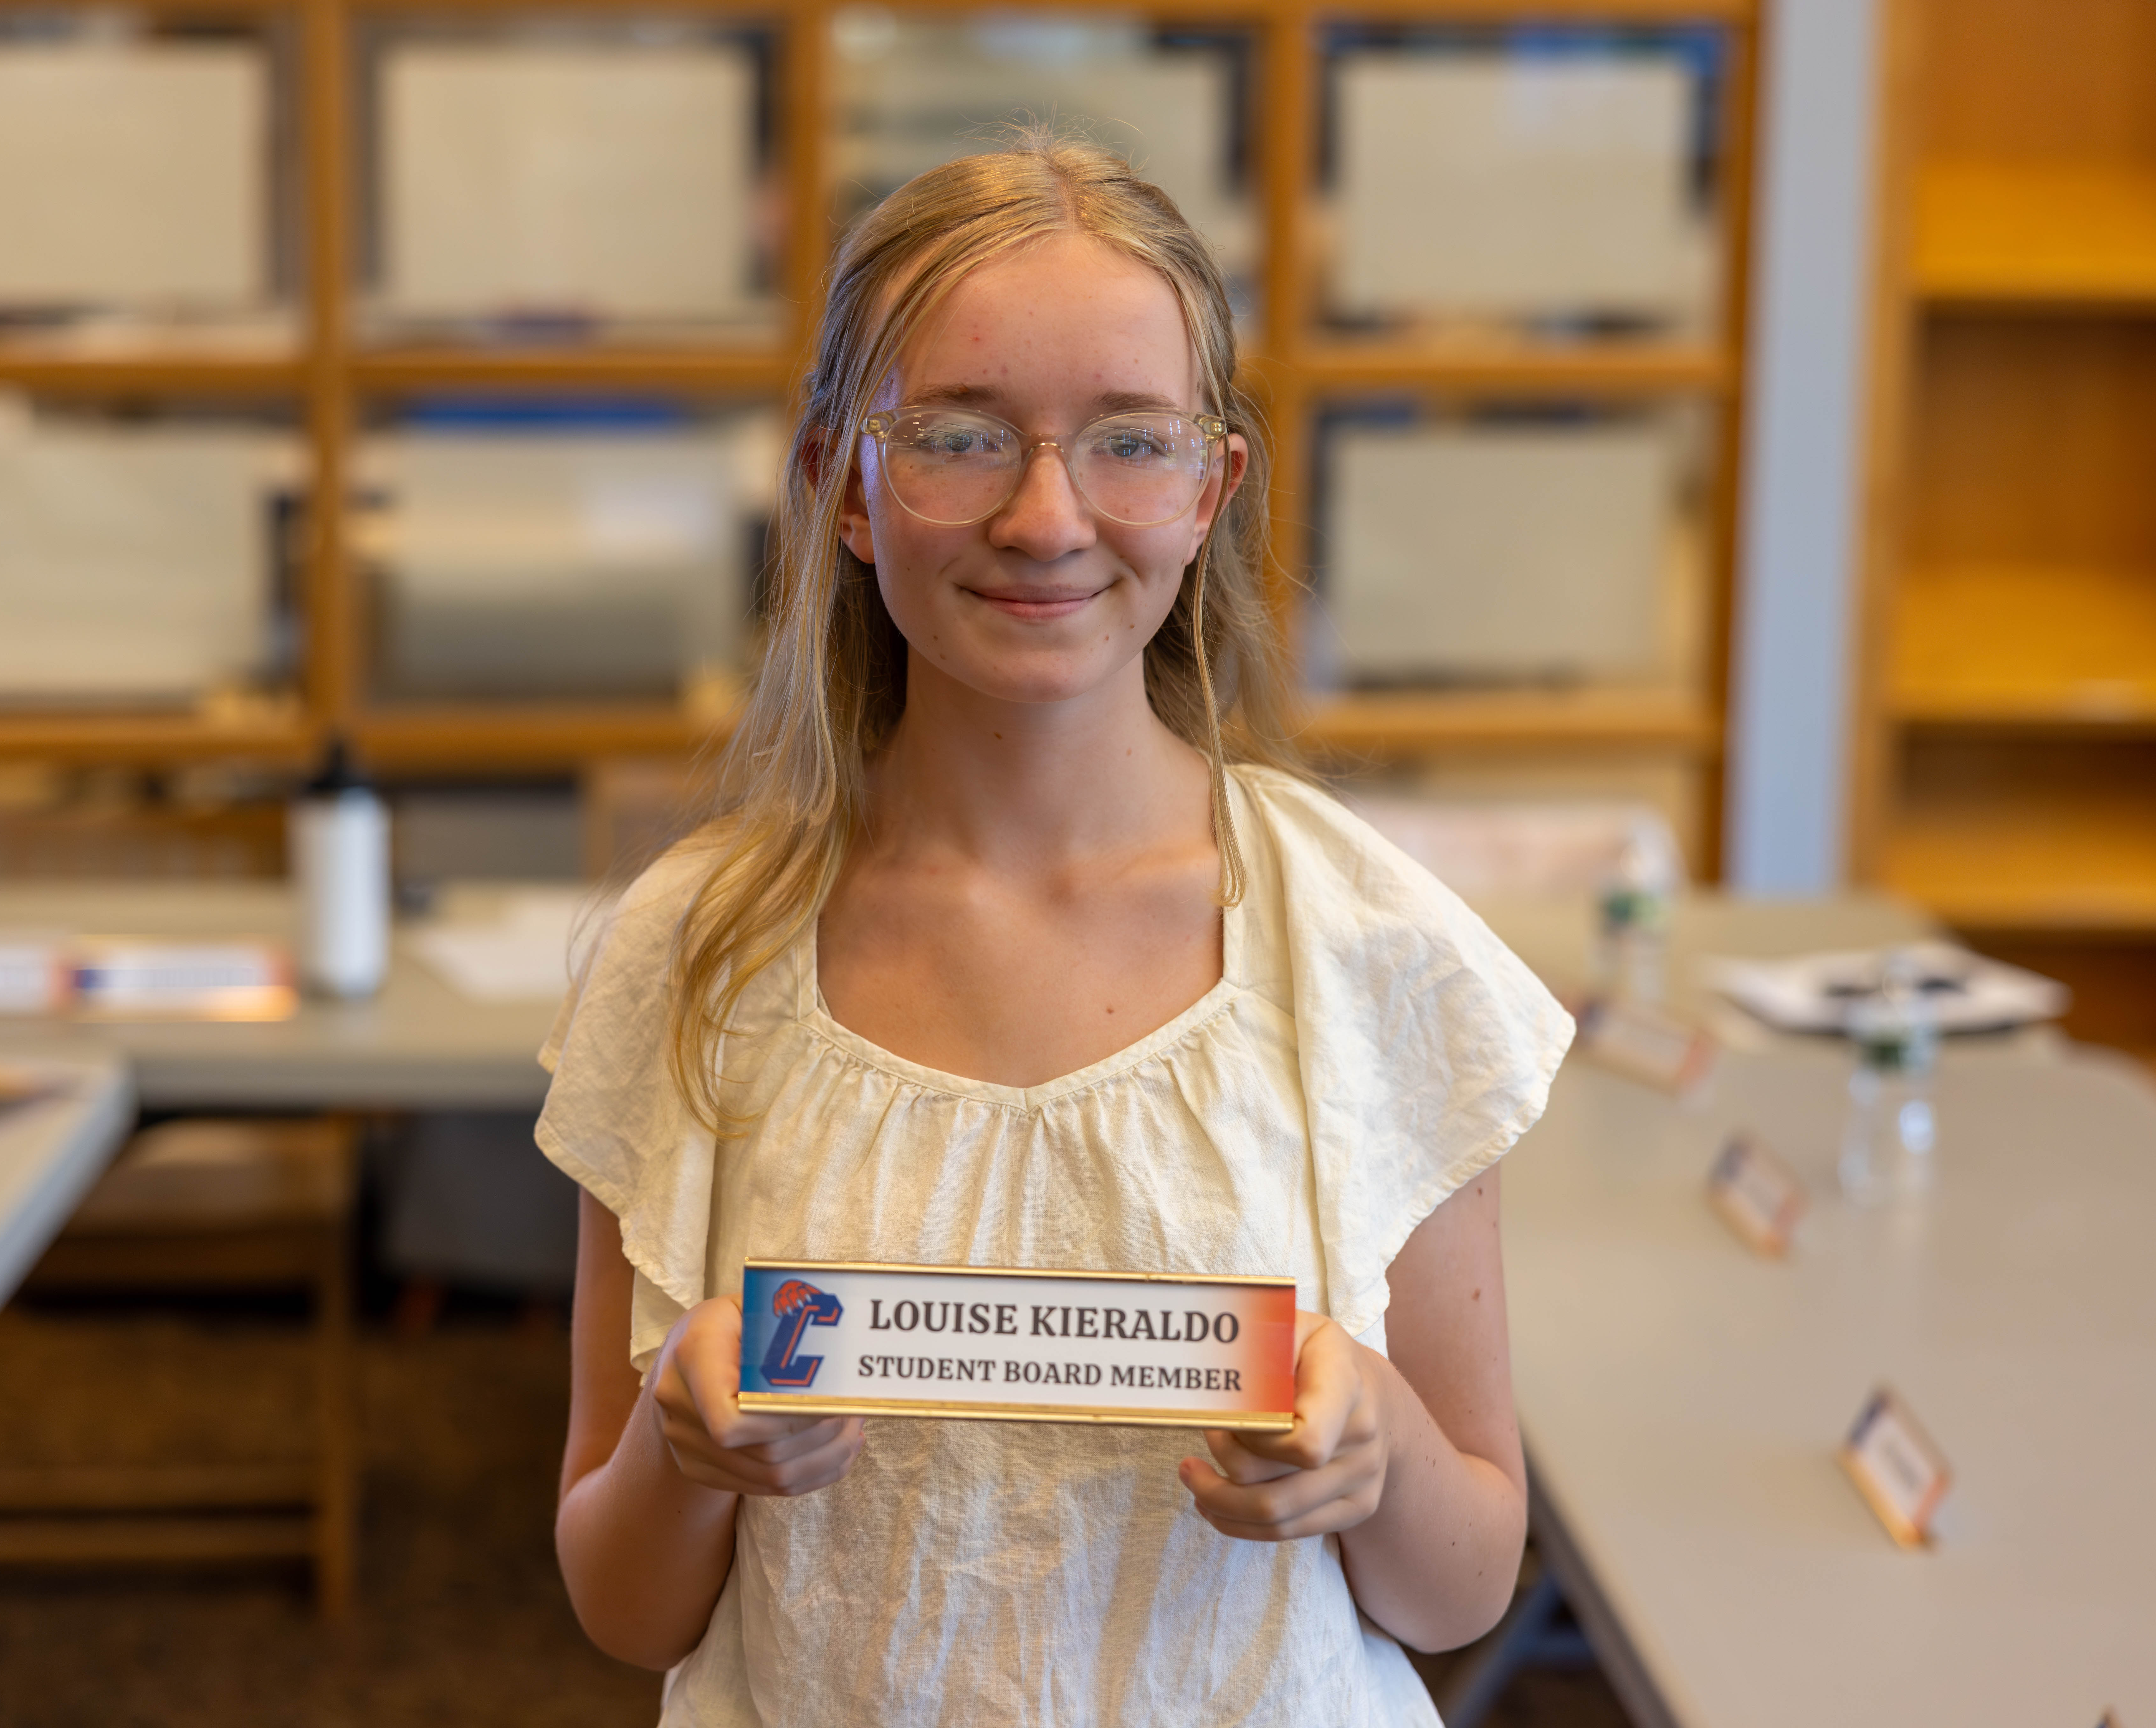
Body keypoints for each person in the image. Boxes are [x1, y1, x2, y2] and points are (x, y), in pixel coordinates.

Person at [541, 131, 1574, 1725]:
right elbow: (623, 1604)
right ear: (845, 488)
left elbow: (1463, 1582)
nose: (1044, 519)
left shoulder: (1366, 947)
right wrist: (685, 1452)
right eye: (957, 437)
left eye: (1127, 443)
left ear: (1211, 488)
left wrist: (1371, 1445)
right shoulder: (694, 957)